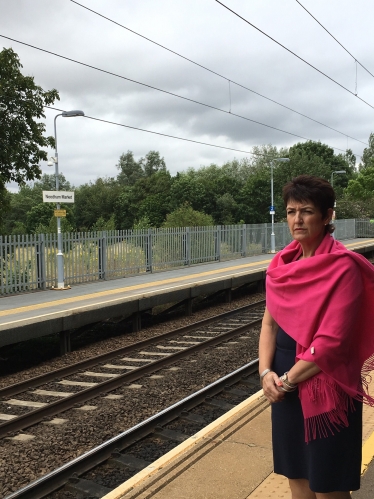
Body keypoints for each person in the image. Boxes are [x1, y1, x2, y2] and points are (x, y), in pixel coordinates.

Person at [259, 174, 374, 499]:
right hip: (284, 389)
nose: (297, 219)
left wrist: (286, 380)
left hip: (326, 388)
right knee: (296, 477)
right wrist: (265, 373)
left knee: (329, 487)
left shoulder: (343, 268)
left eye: (307, 211)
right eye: (292, 211)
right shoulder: (283, 263)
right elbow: (269, 324)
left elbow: (332, 342)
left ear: (327, 216)